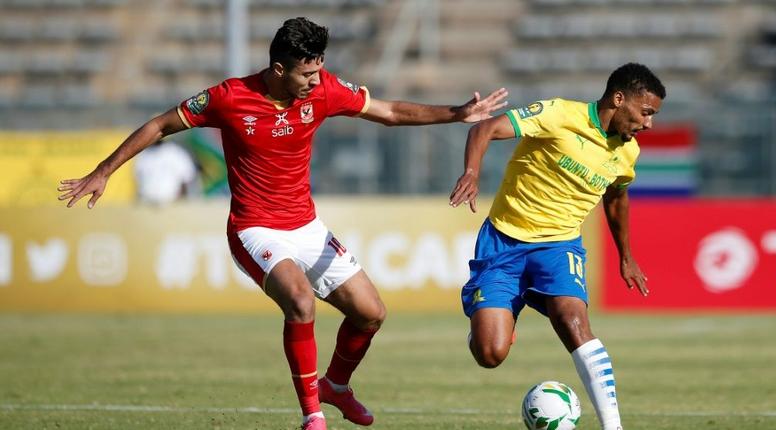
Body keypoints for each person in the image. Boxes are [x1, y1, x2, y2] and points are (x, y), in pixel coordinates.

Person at [57, 17, 507, 430]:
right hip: (255, 229)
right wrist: (103, 170)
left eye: (319, 72)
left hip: (307, 227)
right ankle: (312, 414)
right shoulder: (230, 97)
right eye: (307, 74)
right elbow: (159, 125)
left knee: (371, 314)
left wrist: (456, 114)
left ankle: (335, 387)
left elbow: (388, 112)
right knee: (300, 301)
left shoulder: (323, 90)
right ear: (277, 69)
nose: (317, 81)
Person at [448, 63, 665, 430]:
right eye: (646, 112)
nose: (648, 124)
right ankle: (491, 321)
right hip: (503, 241)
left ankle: (613, 425)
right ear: (618, 99)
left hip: (559, 246)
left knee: (573, 320)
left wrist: (625, 255)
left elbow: (616, 198)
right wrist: (471, 172)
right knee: (489, 353)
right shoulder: (558, 114)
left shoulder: (627, 153)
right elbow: (486, 127)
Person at [133, 139, 200, 205]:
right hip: (146, 201)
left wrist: (182, 200)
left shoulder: (175, 152)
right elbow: (137, 177)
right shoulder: (143, 154)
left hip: (170, 201)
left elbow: (187, 177)